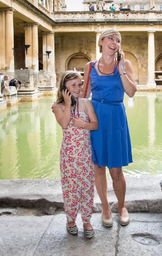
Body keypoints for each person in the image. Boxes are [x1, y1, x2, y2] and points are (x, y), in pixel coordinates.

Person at [83, 29, 137, 228]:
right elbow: (83, 95)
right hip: (95, 117)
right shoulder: (90, 66)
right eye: (111, 39)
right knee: (98, 168)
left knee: (116, 170)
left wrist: (121, 67)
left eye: (118, 40)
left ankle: (121, 206)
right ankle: (105, 207)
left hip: (115, 118)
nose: (115, 43)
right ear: (101, 41)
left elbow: (130, 92)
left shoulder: (125, 65)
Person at [52, 71, 98, 239]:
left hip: (85, 154)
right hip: (69, 156)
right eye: (74, 85)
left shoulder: (86, 103)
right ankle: (71, 220)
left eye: (80, 84)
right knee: (70, 188)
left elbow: (95, 125)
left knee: (86, 188)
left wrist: (83, 124)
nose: (78, 88)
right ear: (64, 88)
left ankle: (87, 221)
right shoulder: (58, 107)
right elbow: (64, 124)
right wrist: (66, 102)